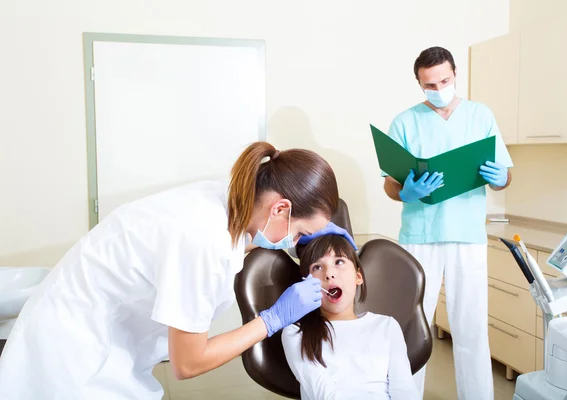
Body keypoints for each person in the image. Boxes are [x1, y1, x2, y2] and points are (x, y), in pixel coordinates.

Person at [0, 142, 343, 400]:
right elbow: (188, 364)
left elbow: (239, 241)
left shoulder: (225, 199)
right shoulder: (201, 241)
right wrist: (272, 320)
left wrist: (291, 238)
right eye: (299, 233)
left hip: (93, 337)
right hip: (71, 356)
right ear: (280, 207)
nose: (297, 241)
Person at [381, 46, 513, 400]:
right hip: (419, 236)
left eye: (445, 80)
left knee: (470, 328)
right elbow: (389, 183)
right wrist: (404, 192)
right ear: (418, 83)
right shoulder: (404, 122)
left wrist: (500, 177)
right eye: (429, 84)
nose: (438, 88)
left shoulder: (480, 115)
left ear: (455, 74)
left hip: (467, 235)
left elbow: (505, 176)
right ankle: (406, 395)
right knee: (412, 324)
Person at [282, 234, 419, 400]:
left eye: (339, 262)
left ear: (358, 276)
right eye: (317, 267)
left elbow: (405, 392)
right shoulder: (296, 333)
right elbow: (323, 395)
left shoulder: (387, 326)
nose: (329, 274)